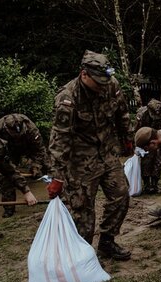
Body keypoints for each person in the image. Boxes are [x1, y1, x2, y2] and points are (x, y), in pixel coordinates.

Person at [47, 50, 132, 261]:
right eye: (98, 81)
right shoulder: (67, 98)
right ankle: (82, 254)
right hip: (80, 158)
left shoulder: (111, 84)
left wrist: (127, 138)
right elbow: (60, 138)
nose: (103, 85)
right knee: (83, 208)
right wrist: (57, 176)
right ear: (84, 74)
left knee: (121, 194)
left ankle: (107, 242)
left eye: (106, 80)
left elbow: (122, 112)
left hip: (107, 150)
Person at [0, 113, 51, 218]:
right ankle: (9, 207)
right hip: (8, 151)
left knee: (49, 166)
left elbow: (39, 150)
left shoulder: (31, 129)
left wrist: (36, 165)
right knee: (6, 177)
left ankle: (58, 197)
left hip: (28, 147)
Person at [133, 99, 161, 194]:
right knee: (146, 161)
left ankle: (154, 184)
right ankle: (146, 184)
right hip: (146, 140)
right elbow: (136, 130)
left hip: (158, 139)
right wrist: (138, 146)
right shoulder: (142, 114)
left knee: (158, 160)